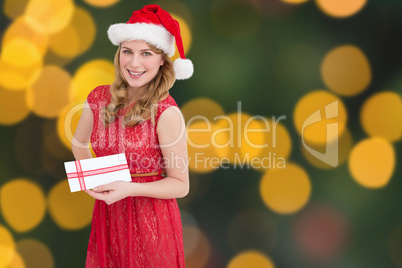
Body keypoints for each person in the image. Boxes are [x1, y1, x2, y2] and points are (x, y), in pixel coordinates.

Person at [71, 4, 193, 267]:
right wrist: (96, 180)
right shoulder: (98, 97)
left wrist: (129, 188)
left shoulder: (166, 112)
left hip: (151, 226)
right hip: (108, 218)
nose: (134, 63)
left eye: (146, 53)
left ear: (162, 60)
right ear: (119, 54)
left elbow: (181, 184)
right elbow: (79, 144)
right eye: (128, 51)